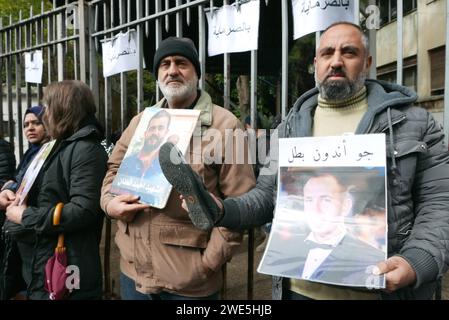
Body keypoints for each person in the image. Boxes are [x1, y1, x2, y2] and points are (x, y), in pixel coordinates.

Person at [160, 22, 449, 300]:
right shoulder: (289, 127)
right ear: (316, 63)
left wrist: (417, 261)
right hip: (298, 290)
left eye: (348, 52)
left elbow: (439, 202)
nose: (336, 61)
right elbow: (267, 196)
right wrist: (223, 210)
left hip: (382, 289)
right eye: (327, 53)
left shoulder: (413, 122)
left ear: (367, 62)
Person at [100, 36, 255, 300]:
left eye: (181, 63)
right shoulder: (141, 122)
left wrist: (206, 264)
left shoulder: (226, 125)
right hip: (133, 274)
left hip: (190, 284)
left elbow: (241, 203)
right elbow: (113, 170)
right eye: (165, 64)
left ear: (196, 73)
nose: (172, 70)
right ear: (158, 74)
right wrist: (109, 204)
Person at [1, 80, 107, 300]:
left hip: (67, 266)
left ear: (63, 108)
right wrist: (11, 191)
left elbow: (84, 210)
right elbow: (34, 185)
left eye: (47, 107)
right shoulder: (56, 145)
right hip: (40, 262)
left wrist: (26, 216)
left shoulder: (86, 149)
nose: (44, 114)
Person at [261, 172, 385, 287]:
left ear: (345, 205)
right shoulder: (284, 248)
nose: (315, 209)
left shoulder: (370, 257)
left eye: (326, 200)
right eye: (309, 200)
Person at [1, 105, 49, 195]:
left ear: (47, 124)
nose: (30, 128)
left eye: (37, 123)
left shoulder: (50, 151)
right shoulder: (30, 152)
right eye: (26, 125)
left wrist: (11, 186)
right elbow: (17, 178)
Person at [119, 109, 174, 179]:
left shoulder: (167, 166)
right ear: (145, 133)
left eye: (160, 128)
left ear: (166, 133)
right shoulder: (127, 161)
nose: (155, 133)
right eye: (152, 128)